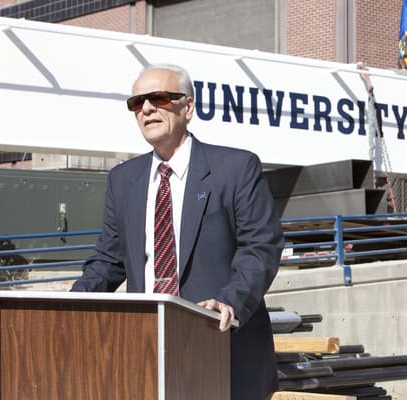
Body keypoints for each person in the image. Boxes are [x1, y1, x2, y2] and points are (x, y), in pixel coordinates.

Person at [71, 64, 284, 400]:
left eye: (158, 97)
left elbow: (260, 249)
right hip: (147, 354)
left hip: (222, 348)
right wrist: (69, 301)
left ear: (188, 107)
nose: (146, 108)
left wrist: (231, 301)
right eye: (137, 102)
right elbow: (109, 261)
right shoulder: (123, 180)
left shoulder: (236, 169)